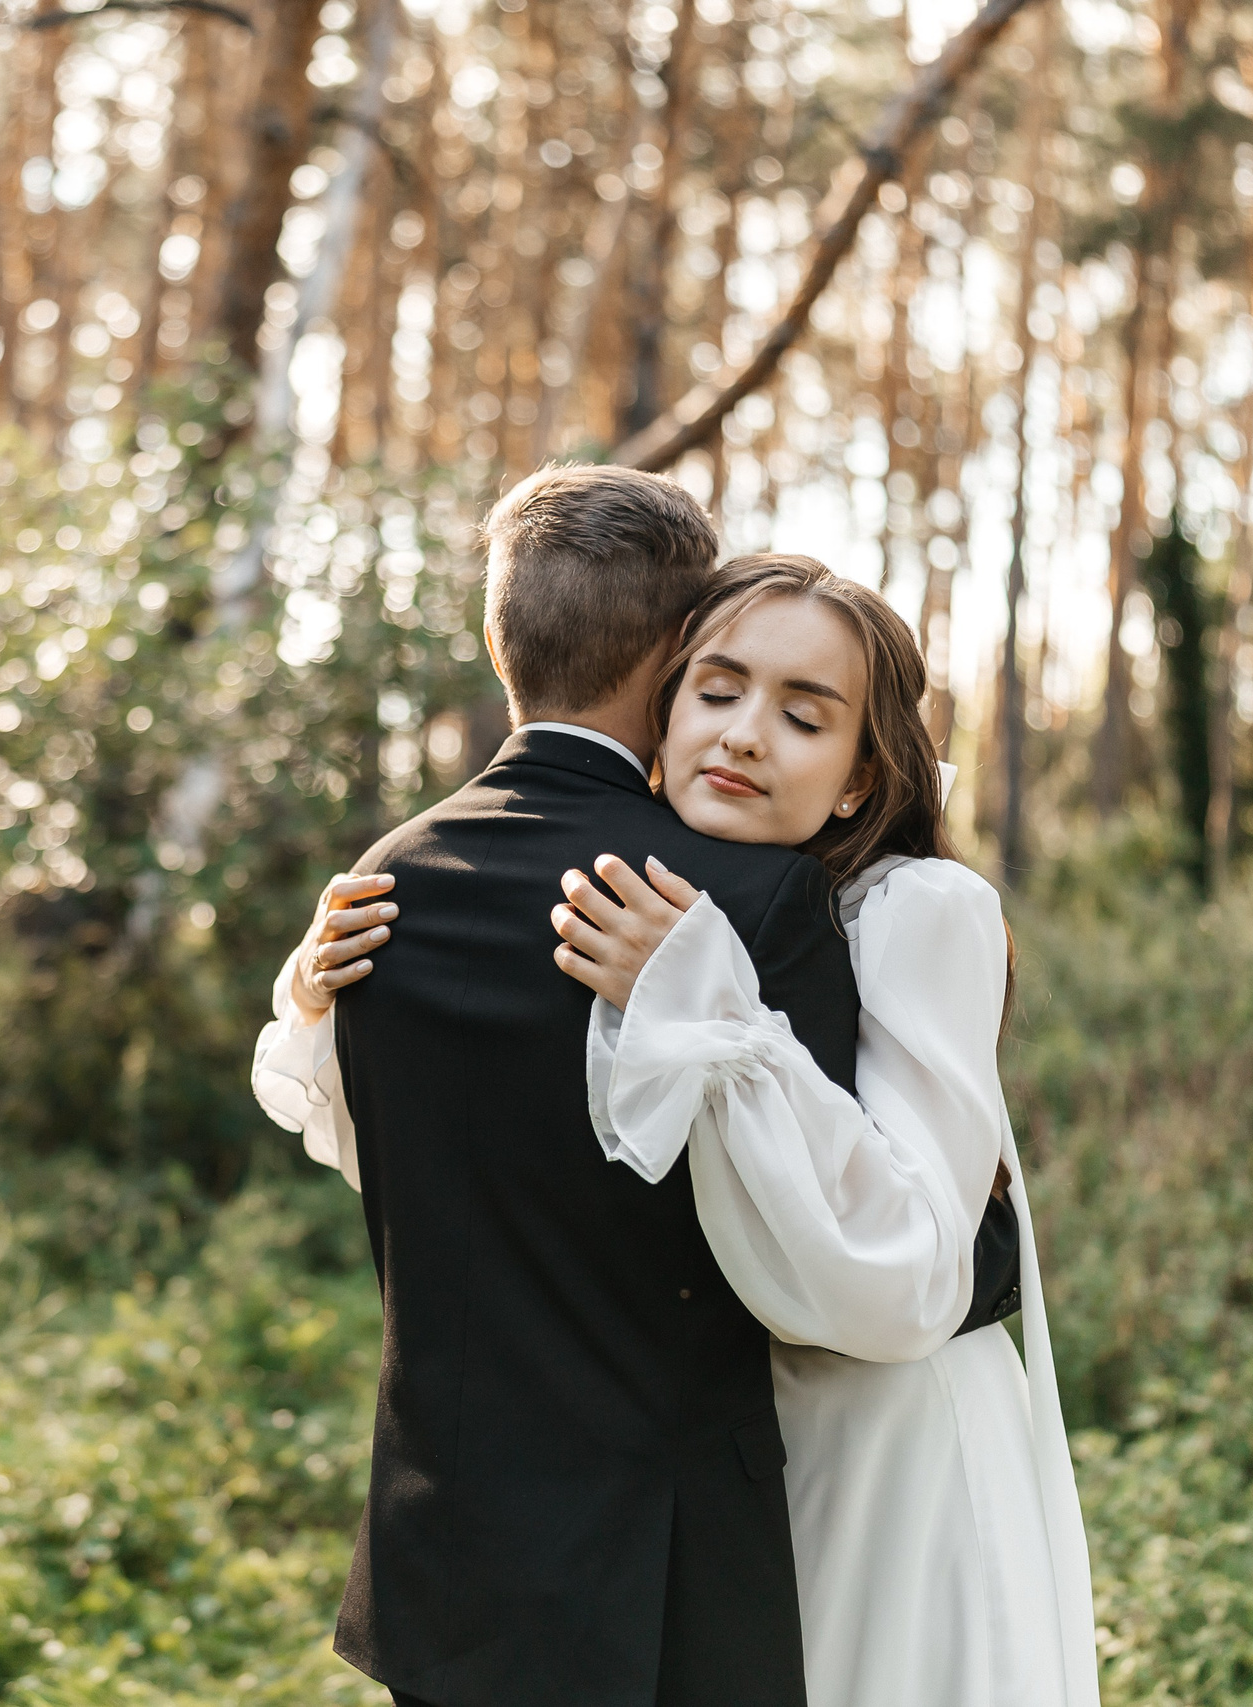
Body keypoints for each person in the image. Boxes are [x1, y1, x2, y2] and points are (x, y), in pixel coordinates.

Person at [272, 554, 1099, 1707]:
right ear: (660, 710)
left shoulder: (916, 908)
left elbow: (912, 1270)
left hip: (881, 1432)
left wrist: (717, 1014)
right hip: (749, 1433)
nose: (746, 736)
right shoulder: (669, 899)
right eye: (716, 692)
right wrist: (324, 997)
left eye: (803, 717)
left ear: (861, 780)